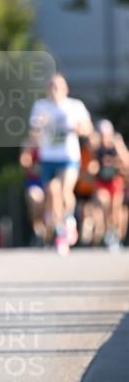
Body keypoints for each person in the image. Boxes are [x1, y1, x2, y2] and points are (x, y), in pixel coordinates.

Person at [28, 74, 92, 256]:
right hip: (48, 157)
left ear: (66, 89)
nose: (54, 90)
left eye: (58, 86)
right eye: (51, 86)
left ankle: (69, 220)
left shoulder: (75, 106)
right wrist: (39, 126)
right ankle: (60, 232)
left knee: (65, 191)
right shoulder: (40, 106)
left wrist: (80, 128)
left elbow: (87, 129)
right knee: (52, 194)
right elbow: (32, 136)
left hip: (68, 156)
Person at [92, 119, 129, 250]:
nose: (103, 137)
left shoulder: (116, 146)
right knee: (104, 202)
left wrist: (118, 144)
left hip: (115, 183)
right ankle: (107, 232)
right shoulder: (97, 148)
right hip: (101, 183)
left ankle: (114, 234)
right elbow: (91, 164)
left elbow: (126, 162)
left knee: (115, 209)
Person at [19, 144, 45, 245]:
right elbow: (24, 164)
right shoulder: (28, 144)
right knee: (34, 202)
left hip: (48, 181)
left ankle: (53, 231)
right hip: (34, 183)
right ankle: (38, 231)